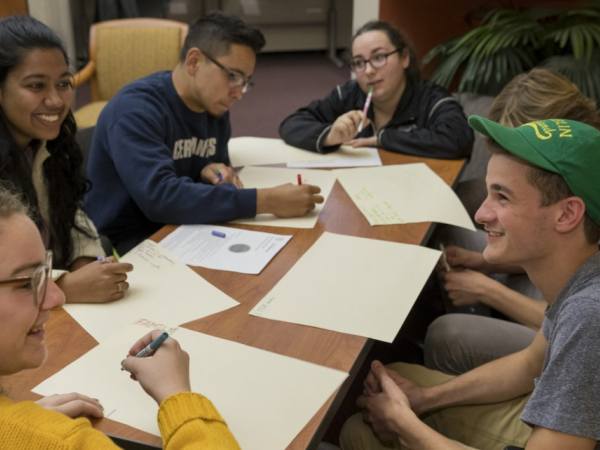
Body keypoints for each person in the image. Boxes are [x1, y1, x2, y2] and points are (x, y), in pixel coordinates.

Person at [340, 117, 600, 450]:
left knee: (360, 433)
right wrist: (424, 399)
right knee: (402, 375)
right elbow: (528, 364)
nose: (480, 213)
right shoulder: (579, 276)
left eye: (502, 197)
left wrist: (406, 426)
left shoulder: (588, 313)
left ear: (566, 215)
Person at [0, 186, 241, 449]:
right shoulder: (64, 441)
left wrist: (21, 421)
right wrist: (178, 396)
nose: (57, 297)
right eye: (27, 283)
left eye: (46, 272)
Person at [85, 12, 324, 255]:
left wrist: (212, 171)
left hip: (184, 225)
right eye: (232, 76)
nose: (238, 93)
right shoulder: (135, 111)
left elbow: (212, 169)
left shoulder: (214, 107)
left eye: (245, 82)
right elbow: (160, 198)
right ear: (194, 61)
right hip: (126, 240)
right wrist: (267, 200)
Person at [426, 69, 600, 375]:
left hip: (567, 323)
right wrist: (484, 263)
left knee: (448, 335)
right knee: (458, 235)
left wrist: (486, 290)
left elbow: (575, 320)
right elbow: (557, 246)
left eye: (520, 146)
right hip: (560, 301)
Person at [0, 14, 132, 303]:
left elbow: (71, 211)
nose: (56, 101)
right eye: (36, 86)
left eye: (63, 84)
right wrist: (64, 287)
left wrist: (84, 262)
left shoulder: (50, 143)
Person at [279, 20, 473, 158]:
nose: (369, 71)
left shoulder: (430, 98)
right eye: (359, 62)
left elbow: (459, 139)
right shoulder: (348, 94)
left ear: (404, 57)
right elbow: (291, 124)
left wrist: (382, 139)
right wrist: (331, 134)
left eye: (379, 57)